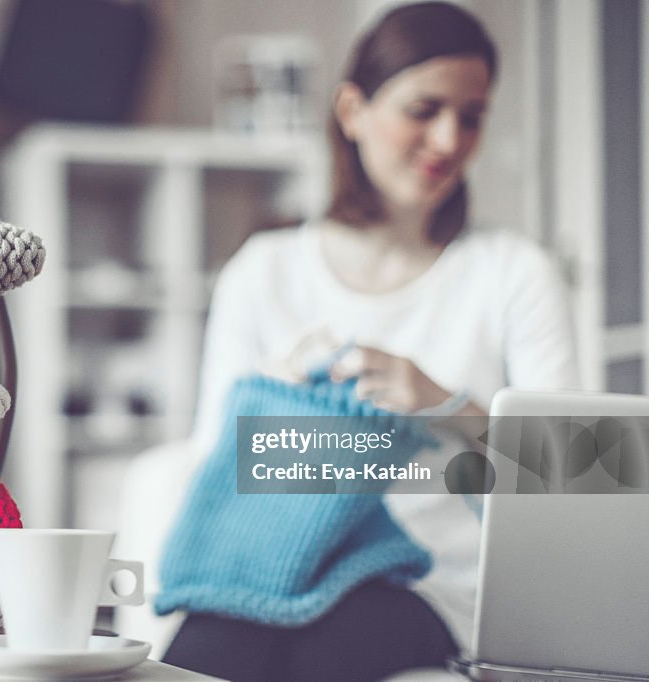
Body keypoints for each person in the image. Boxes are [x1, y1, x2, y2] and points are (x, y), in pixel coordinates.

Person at [161, 3, 579, 680]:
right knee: (203, 649)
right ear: (352, 111)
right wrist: (287, 420)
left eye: (471, 116)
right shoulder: (262, 272)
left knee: (324, 646)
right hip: (279, 566)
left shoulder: (514, 272)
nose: (449, 140)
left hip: (436, 584)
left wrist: (445, 405)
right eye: (424, 109)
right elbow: (220, 466)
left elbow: (582, 474)